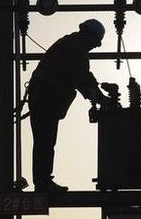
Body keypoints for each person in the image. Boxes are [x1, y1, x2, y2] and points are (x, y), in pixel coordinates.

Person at [27, 19, 110, 192]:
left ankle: (43, 182)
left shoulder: (71, 44)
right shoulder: (77, 47)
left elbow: (83, 76)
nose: (94, 47)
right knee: (45, 140)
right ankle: (43, 184)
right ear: (91, 36)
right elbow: (82, 76)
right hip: (45, 97)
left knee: (44, 140)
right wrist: (99, 99)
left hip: (43, 96)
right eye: (95, 43)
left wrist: (97, 96)